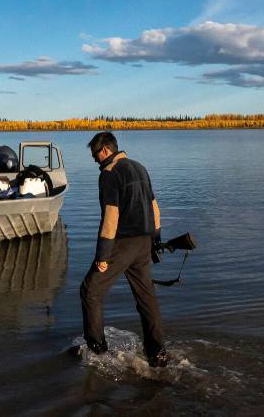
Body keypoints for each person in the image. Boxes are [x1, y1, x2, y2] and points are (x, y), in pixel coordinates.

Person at [80, 131, 168, 367]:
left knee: (90, 290)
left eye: (95, 154)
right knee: (146, 297)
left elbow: (111, 216)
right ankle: (157, 353)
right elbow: (154, 206)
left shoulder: (110, 174)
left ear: (106, 150)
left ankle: (98, 353)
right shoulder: (139, 167)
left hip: (124, 243)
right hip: (145, 242)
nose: (94, 160)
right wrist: (156, 240)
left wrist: (103, 255)